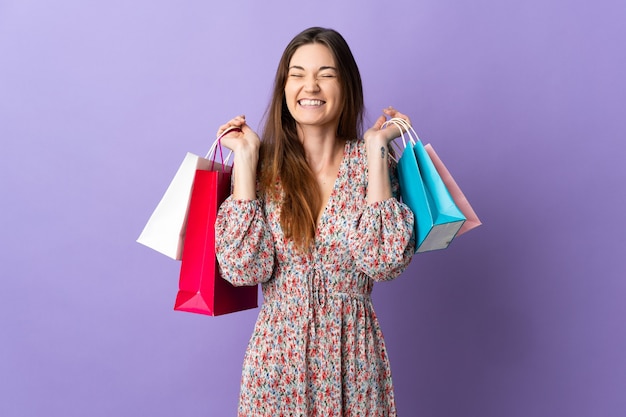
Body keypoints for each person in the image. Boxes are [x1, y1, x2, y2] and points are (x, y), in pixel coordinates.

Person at [215, 26, 415, 417]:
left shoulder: (370, 165)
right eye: (297, 74)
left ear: (347, 85)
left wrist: (377, 147)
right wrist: (244, 158)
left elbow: (383, 261)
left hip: (353, 361)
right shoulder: (263, 169)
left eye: (326, 74)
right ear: (283, 87)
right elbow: (242, 269)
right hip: (277, 365)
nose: (311, 86)